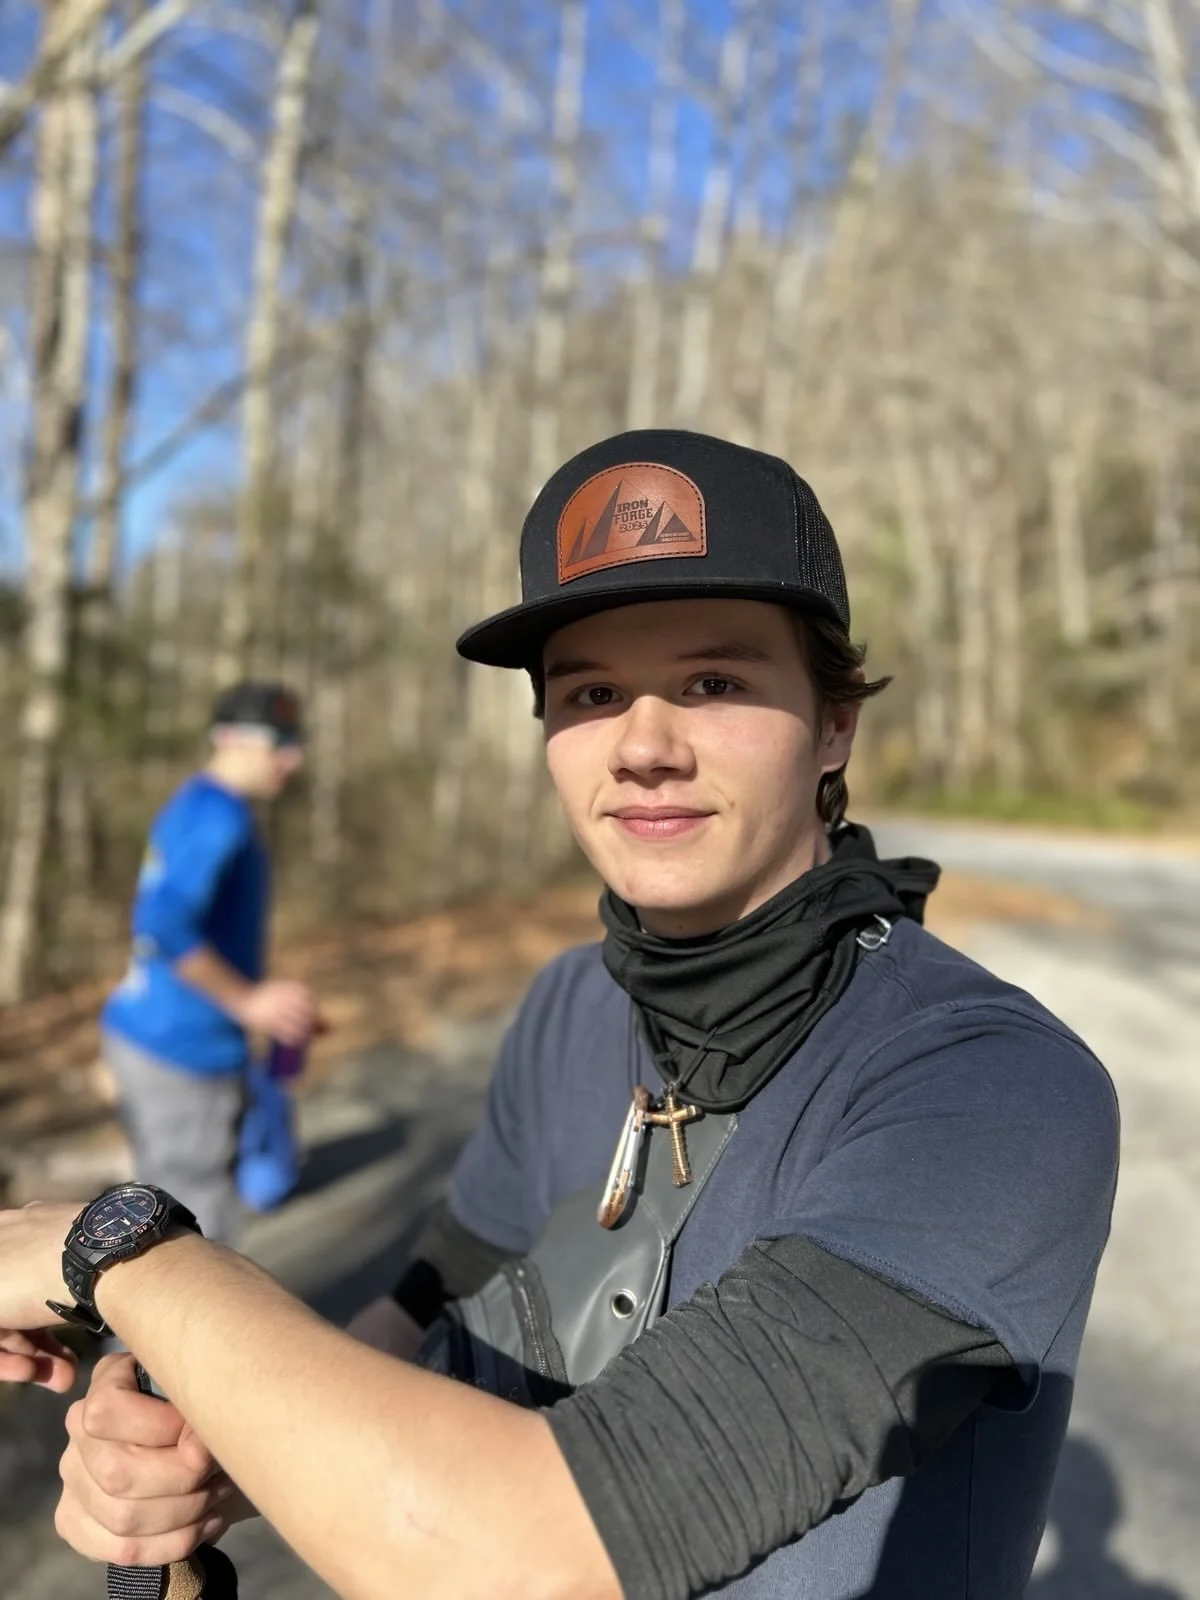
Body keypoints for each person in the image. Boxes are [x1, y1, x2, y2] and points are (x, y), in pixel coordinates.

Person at [0, 431, 1119, 1599]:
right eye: (590, 692)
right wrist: (226, 1435)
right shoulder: (567, 1005)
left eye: (715, 681)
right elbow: (430, 1296)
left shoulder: (987, 1090)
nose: (642, 747)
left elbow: (530, 1553)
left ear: (835, 721)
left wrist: (124, 1251)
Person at [98, 681, 318, 1241]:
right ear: (228, 740)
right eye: (278, 741)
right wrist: (248, 1001)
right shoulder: (218, 818)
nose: (294, 757)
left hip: (150, 1034)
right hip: (180, 1054)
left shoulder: (197, 804)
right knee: (187, 1240)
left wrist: (258, 1002)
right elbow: (161, 924)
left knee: (153, 1214)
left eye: (295, 740)